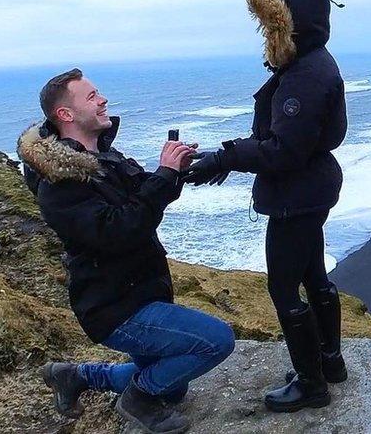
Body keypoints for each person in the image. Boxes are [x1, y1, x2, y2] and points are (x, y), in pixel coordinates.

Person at [17, 69, 235, 434]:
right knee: (216, 341)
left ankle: (76, 376)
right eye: (91, 96)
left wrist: (173, 172)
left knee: (174, 387)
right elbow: (118, 230)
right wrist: (162, 176)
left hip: (141, 292)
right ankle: (138, 399)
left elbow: (141, 201)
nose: (102, 100)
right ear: (66, 115)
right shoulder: (59, 184)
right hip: (115, 308)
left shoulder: (102, 156)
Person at [184, 0, 348, 412]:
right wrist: (230, 158)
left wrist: (224, 159)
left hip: (298, 196)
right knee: (314, 276)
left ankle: (312, 384)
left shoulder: (305, 77)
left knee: (283, 288)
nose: (267, 33)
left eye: (273, 23)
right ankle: (330, 362)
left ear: (292, 23)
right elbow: (286, 141)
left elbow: (284, 150)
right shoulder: (312, 62)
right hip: (312, 189)